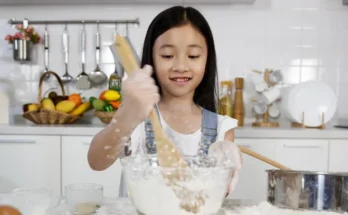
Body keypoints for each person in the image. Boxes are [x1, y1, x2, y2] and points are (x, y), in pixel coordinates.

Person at [88, 5, 242, 198]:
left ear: (207, 59)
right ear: (152, 58)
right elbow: (96, 161)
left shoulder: (221, 129)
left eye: (193, 56)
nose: (180, 66)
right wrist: (126, 118)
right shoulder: (138, 120)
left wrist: (223, 169)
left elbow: (219, 195)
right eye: (168, 56)